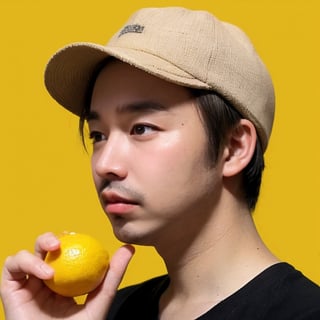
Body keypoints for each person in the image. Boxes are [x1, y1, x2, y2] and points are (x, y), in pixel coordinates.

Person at [1, 6, 320, 320]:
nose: (105, 165)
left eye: (141, 129)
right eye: (98, 135)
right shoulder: (106, 311)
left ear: (234, 147)